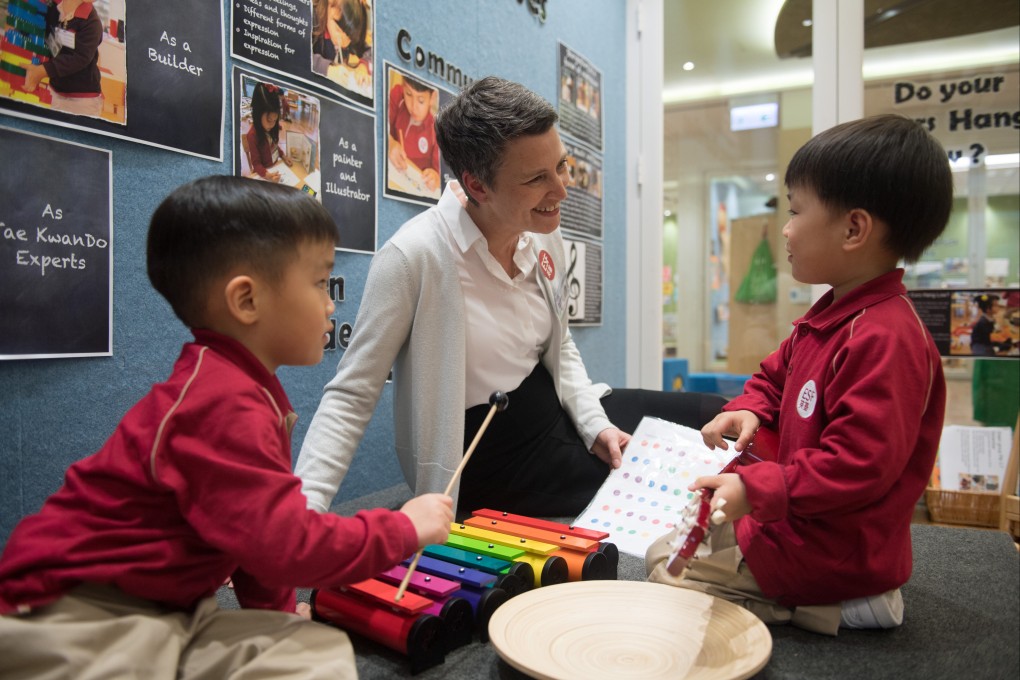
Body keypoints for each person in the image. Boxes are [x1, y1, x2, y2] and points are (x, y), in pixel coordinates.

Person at [0, 176, 453, 678]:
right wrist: (403, 528)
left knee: (311, 654)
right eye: (321, 283)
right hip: (67, 616)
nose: (330, 305)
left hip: (158, 610)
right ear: (247, 301)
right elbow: (288, 547)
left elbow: (254, 547)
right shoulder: (220, 405)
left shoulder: (246, 390)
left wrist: (280, 618)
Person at [297, 76, 725, 519]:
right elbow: (350, 397)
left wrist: (595, 424)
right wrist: (299, 520)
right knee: (675, 479)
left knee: (718, 418)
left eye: (560, 166)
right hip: (490, 456)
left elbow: (560, 348)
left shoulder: (540, 236)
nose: (560, 191)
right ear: (477, 186)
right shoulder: (413, 257)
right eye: (537, 178)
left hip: (553, 406)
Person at [646, 114, 954, 636]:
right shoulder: (830, 316)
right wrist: (748, 406)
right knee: (662, 547)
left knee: (665, 577)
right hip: (796, 524)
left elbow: (858, 465)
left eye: (795, 212)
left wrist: (754, 487)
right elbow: (773, 377)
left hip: (833, 552)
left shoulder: (885, 338)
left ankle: (845, 606)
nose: (785, 229)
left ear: (854, 228)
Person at [23, 0, 104, 117]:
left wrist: (44, 70)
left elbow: (80, 58)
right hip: (55, 89)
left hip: (82, 99)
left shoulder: (92, 23)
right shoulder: (54, 7)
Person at [387, 74, 441, 194]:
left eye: (421, 100)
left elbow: (440, 177)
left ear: (432, 98)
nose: (413, 106)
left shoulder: (437, 132)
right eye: (408, 94)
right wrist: (389, 143)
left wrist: (435, 178)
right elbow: (378, 124)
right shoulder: (397, 96)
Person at [245, 82, 292, 182]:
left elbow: (274, 146)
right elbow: (256, 164)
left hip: (276, 166)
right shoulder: (252, 135)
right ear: (258, 114)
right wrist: (267, 175)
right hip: (264, 173)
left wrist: (283, 156)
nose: (272, 125)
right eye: (269, 120)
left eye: (275, 120)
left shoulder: (271, 128)